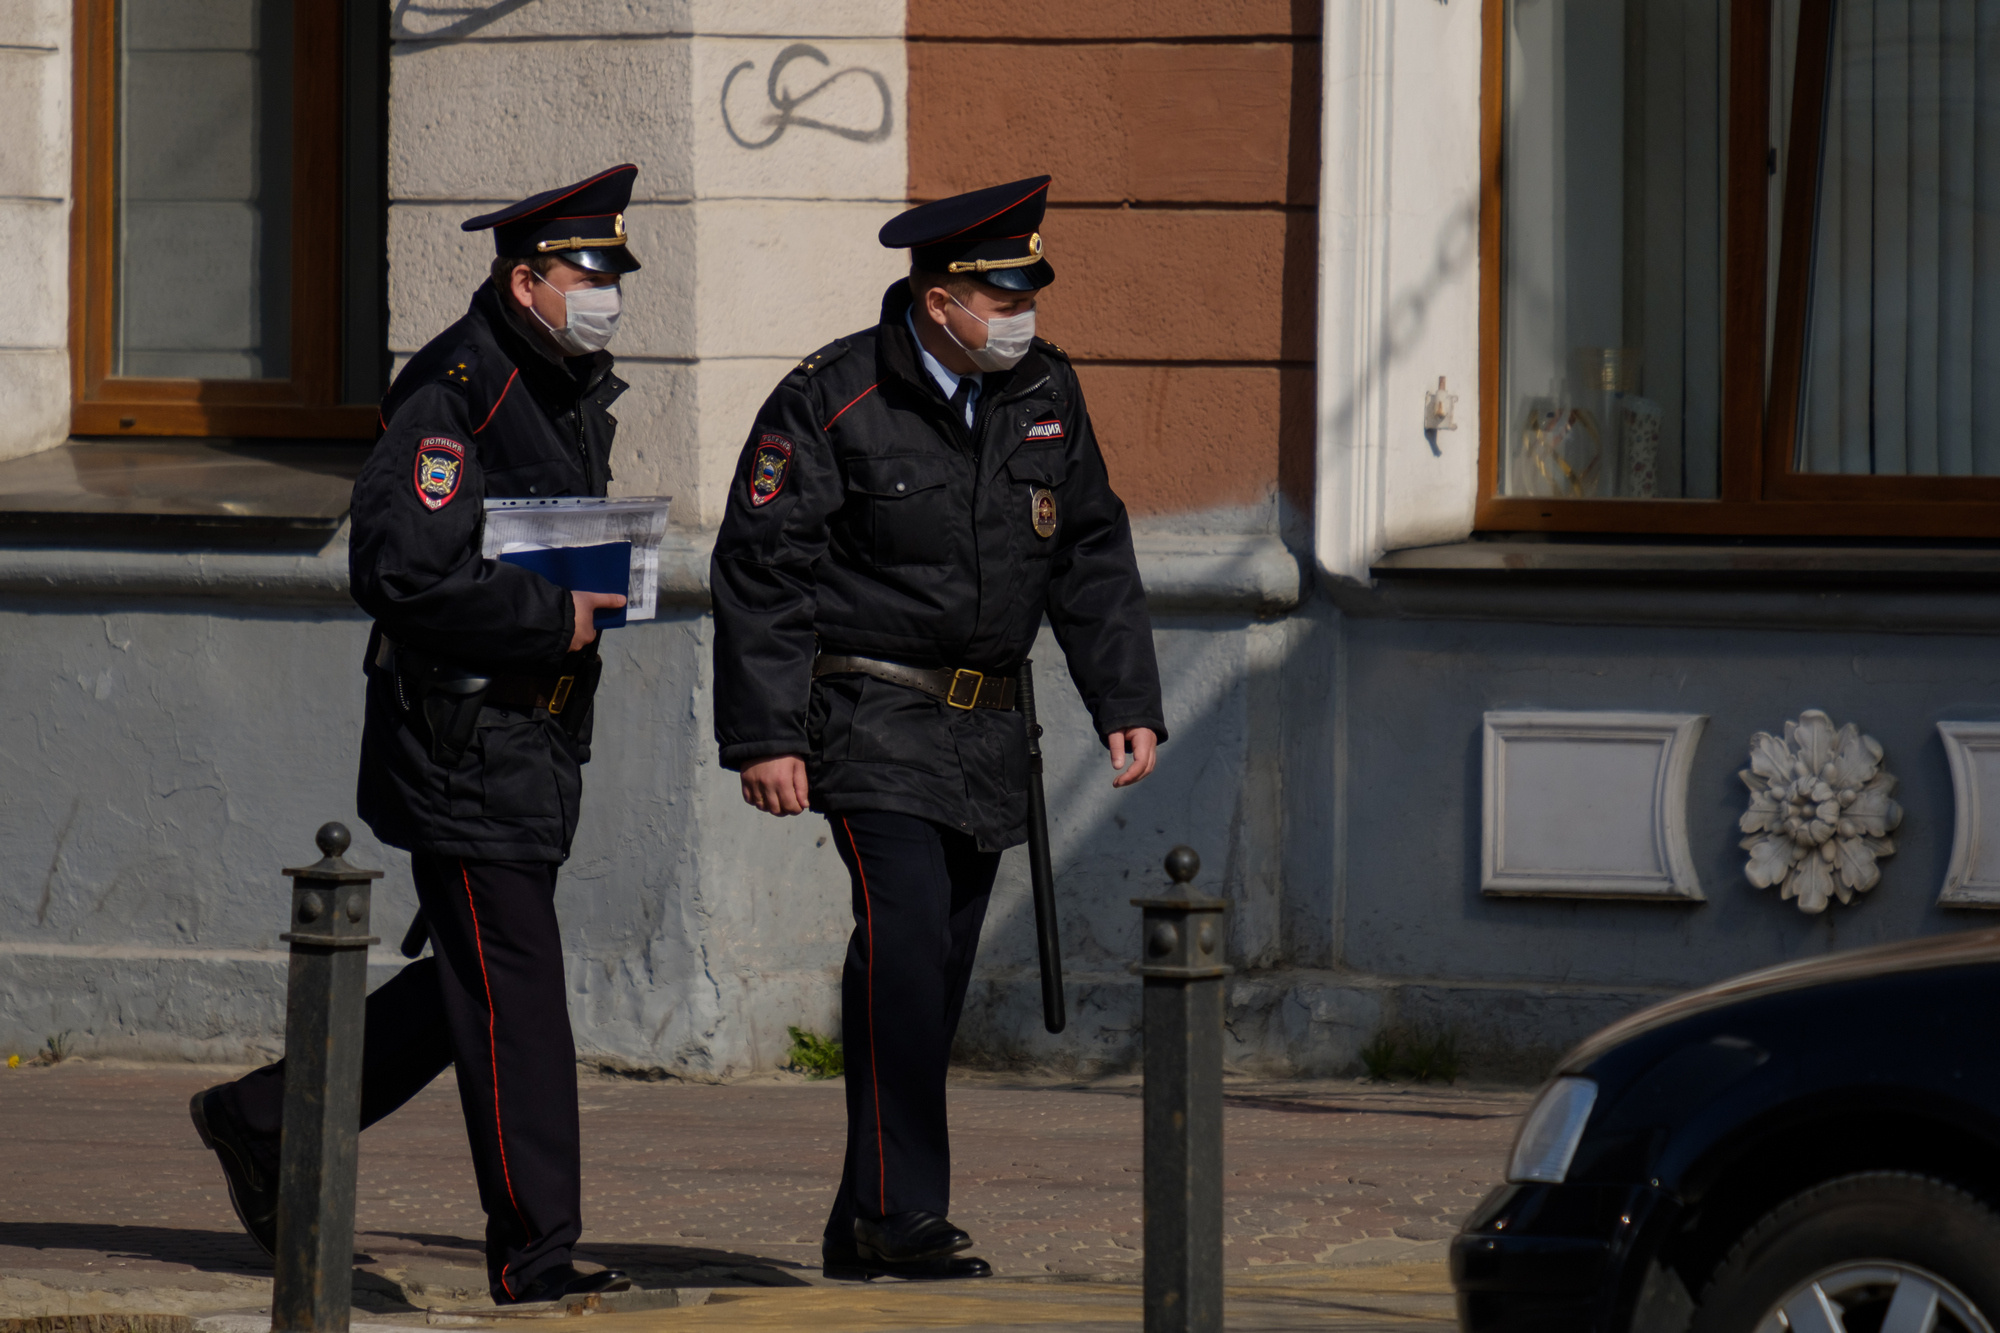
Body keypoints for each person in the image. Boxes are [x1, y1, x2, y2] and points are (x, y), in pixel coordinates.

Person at [188, 165, 644, 1306]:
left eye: (611, 275)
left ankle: (263, 1115)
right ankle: (536, 1255)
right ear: (525, 279)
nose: (605, 295)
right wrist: (552, 615)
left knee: (479, 978)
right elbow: (398, 572)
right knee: (517, 993)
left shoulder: (559, 382)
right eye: (585, 274)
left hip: (530, 733)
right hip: (461, 735)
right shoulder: (454, 392)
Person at [709, 175, 1166, 1280]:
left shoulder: (1044, 390)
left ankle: (861, 1219)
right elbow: (762, 570)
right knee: (905, 945)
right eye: (998, 298)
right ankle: (898, 1208)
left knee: (937, 966)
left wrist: (1124, 699)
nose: (1021, 317)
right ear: (937, 300)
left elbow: (1088, 549)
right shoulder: (834, 397)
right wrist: (766, 733)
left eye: (1028, 295)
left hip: (986, 728)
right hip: (870, 712)